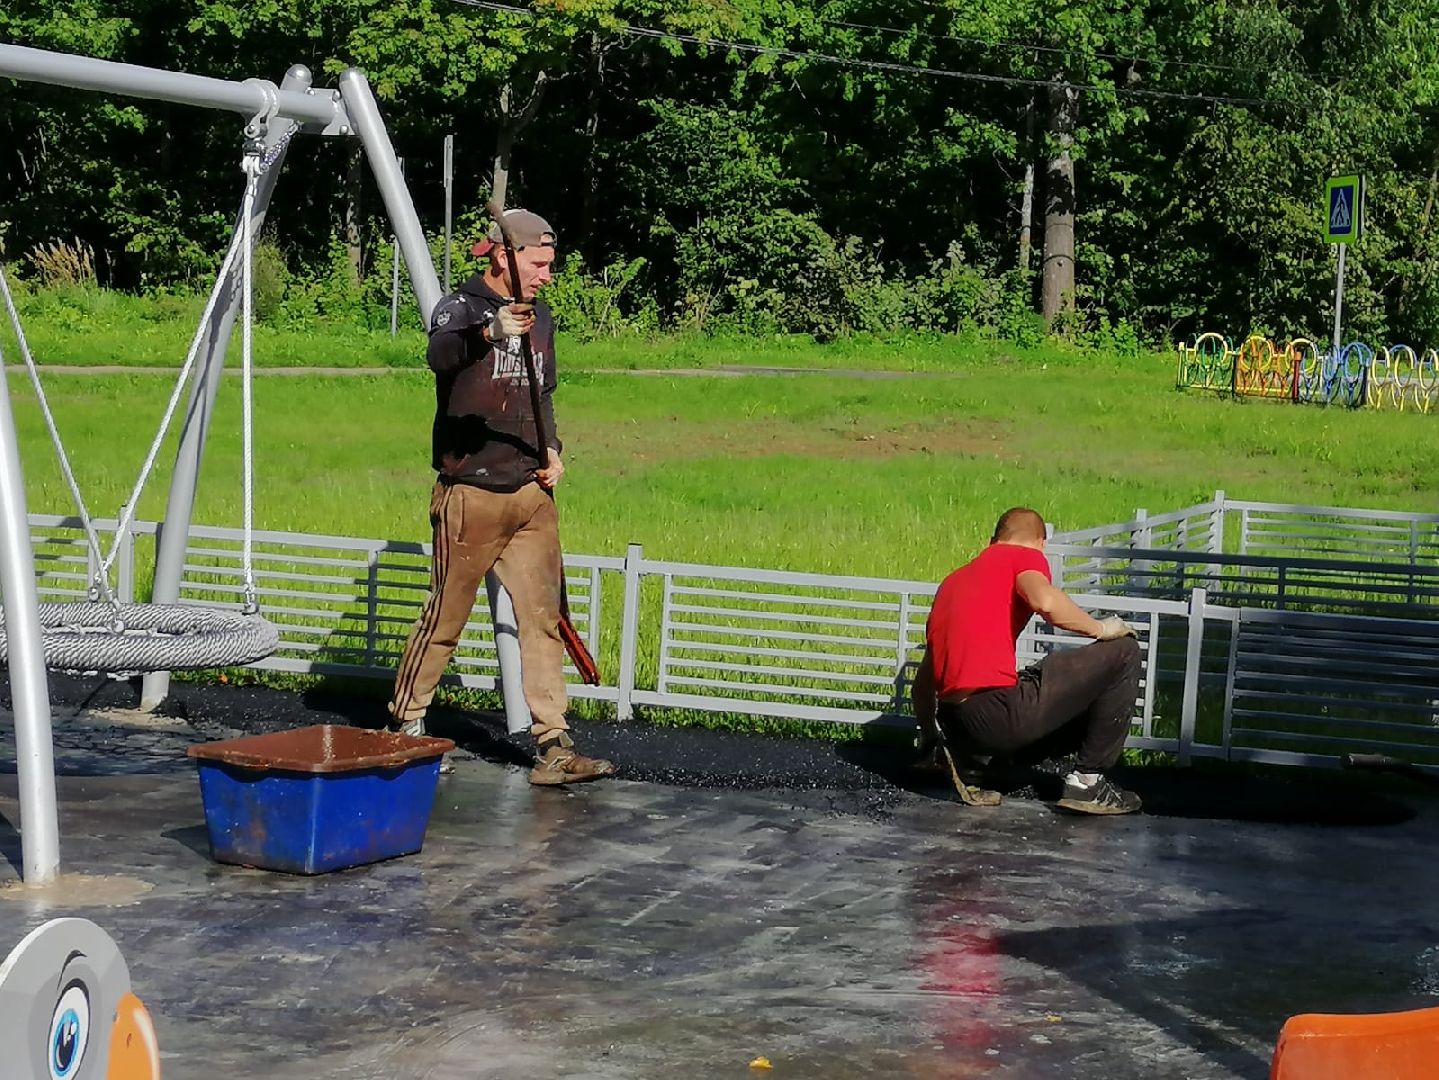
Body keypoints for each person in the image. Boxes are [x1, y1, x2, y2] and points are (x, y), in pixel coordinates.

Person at [388, 208, 616, 786]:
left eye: (549, 265)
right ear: (501, 256)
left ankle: (554, 745)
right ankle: (405, 729)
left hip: (531, 494)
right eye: (538, 264)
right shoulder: (460, 309)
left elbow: (544, 394)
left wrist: (552, 449)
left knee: (543, 621)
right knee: (446, 617)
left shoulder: (541, 318)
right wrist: (490, 333)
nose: (546, 275)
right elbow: (440, 356)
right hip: (471, 495)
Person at [912, 506, 1142, 814]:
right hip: (999, 715)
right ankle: (1088, 784)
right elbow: (1044, 600)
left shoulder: (953, 583)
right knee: (1124, 651)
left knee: (1057, 691)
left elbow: (923, 683)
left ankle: (975, 764)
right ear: (1041, 543)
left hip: (956, 724)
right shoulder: (1023, 556)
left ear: (991, 540)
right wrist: (1101, 628)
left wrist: (930, 739)